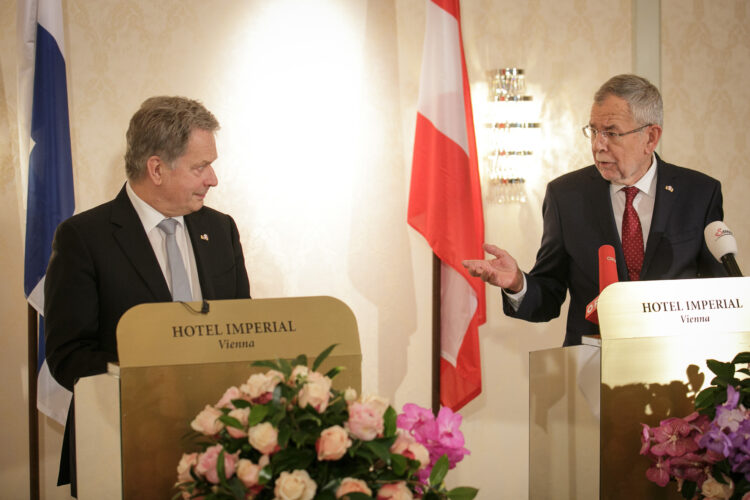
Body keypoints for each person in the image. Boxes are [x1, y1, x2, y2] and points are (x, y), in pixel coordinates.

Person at [44, 96, 251, 496]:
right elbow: (68, 355)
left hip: (218, 452)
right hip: (120, 444)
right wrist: (157, 380)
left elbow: (241, 331)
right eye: (200, 166)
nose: (213, 179)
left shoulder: (221, 231)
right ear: (156, 168)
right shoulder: (84, 238)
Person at [463, 74, 725, 346]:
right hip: (592, 368)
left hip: (677, 364)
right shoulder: (566, 196)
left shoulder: (699, 194)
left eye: (611, 133)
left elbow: (720, 294)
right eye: (594, 131)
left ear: (650, 137)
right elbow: (549, 296)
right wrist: (518, 283)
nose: (598, 145)